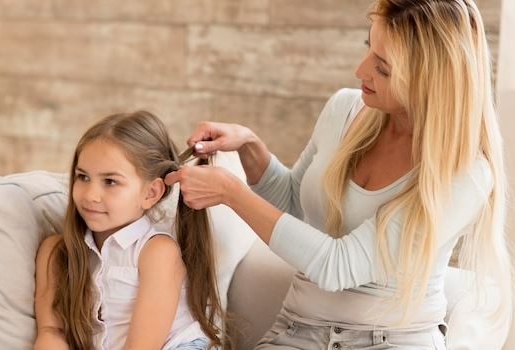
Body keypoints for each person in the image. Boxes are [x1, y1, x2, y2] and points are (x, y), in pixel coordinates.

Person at [164, 0, 512, 348]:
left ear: (430, 81)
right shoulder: (345, 109)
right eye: (368, 48)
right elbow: (295, 205)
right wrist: (249, 146)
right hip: (296, 332)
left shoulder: (466, 174)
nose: (361, 71)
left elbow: (338, 266)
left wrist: (232, 194)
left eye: (384, 68)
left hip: (392, 341)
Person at [34, 111, 225, 350]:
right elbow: (51, 332)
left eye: (110, 181)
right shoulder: (56, 252)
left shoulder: (156, 252)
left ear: (150, 193)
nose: (91, 195)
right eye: (83, 177)